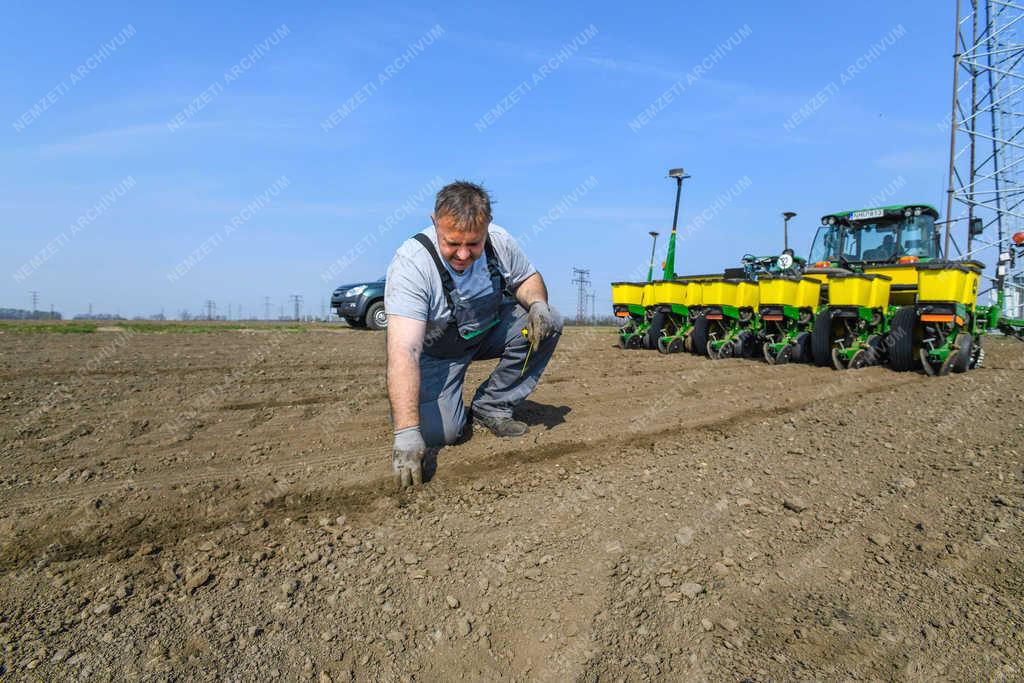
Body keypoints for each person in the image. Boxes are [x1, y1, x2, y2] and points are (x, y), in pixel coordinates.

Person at [384, 181, 563, 488]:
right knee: (443, 435)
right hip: (438, 351)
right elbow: (404, 351)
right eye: (452, 243)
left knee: (549, 322)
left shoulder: (499, 241)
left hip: (487, 330)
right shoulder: (412, 264)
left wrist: (537, 303)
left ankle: (491, 406)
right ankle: (421, 405)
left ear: (487, 227)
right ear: (435, 222)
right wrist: (406, 432)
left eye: (473, 244)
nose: (464, 255)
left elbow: (527, 278)